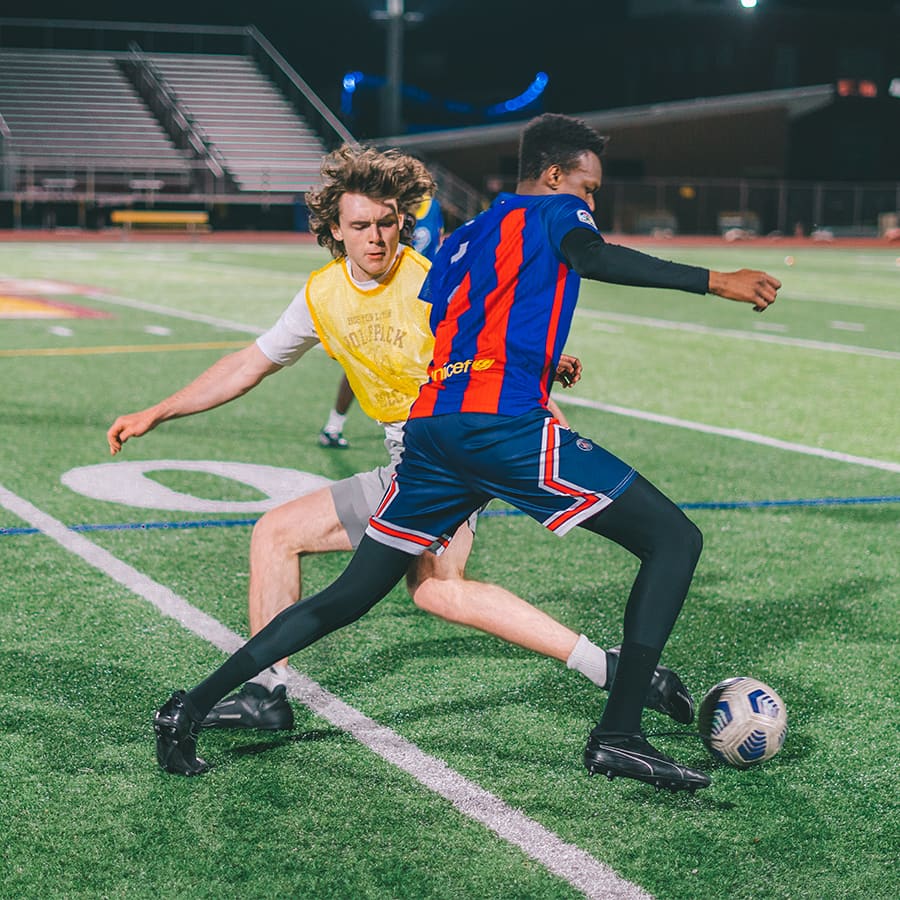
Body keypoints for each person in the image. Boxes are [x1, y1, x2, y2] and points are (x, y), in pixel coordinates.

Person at [152, 120, 780, 788]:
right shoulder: (557, 210)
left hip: (430, 431)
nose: (590, 204)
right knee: (674, 540)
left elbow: (459, 324)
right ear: (557, 174)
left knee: (350, 595)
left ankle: (187, 708)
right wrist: (715, 279)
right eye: (588, 187)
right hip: (497, 427)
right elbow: (590, 257)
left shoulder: (466, 237)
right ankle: (620, 733)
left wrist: (535, 361)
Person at [318, 194, 443, 450]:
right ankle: (334, 424)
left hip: (421, 298)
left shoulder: (433, 208)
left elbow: (436, 245)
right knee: (364, 361)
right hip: (386, 297)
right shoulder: (388, 210)